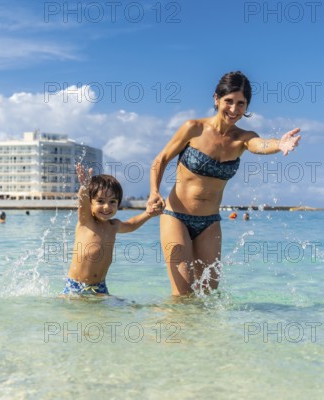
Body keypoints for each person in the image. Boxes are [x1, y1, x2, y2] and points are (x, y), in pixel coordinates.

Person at [147, 71, 301, 296]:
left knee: (209, 294)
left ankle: (205, 333)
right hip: (176, 216)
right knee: (183, 294)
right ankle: (175, 331)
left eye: (241, 103)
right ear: (216, 99)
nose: (234, 109)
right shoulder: (194, 128)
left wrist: (280, 144)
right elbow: (160, 160)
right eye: (229, 101)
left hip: (209, 222)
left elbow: (261, 144)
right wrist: (153, 192)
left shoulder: (243, 138)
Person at [63, 163, 160, 295]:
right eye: (101, 201)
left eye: (112, 202)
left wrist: (148, 214)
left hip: (100, 287)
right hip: (77, 286)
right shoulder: (86, 221)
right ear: (90, 203)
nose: (107, 207)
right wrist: (84, 187)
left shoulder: (113, 226)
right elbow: (82, 202)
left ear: (118, 204)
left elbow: (131, 225)